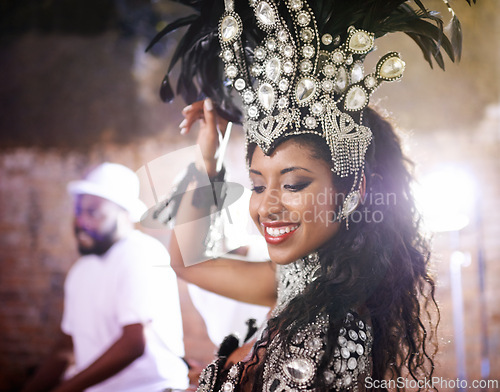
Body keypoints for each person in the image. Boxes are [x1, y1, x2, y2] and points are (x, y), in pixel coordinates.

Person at [150, 0, 475, 390]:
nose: (267, 206)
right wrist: (210, 160)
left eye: (294, 185)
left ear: (353, 189)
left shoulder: (329, 330)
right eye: (256, 185)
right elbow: (188, 263)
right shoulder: (298, 282)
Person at [22, 162, 189, 392]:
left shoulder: (141, 254)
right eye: (78, 211)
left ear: (125, 214)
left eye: (93, 212)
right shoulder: (81, 270)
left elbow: (133, 344)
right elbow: (66, 345)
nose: (81, 221)